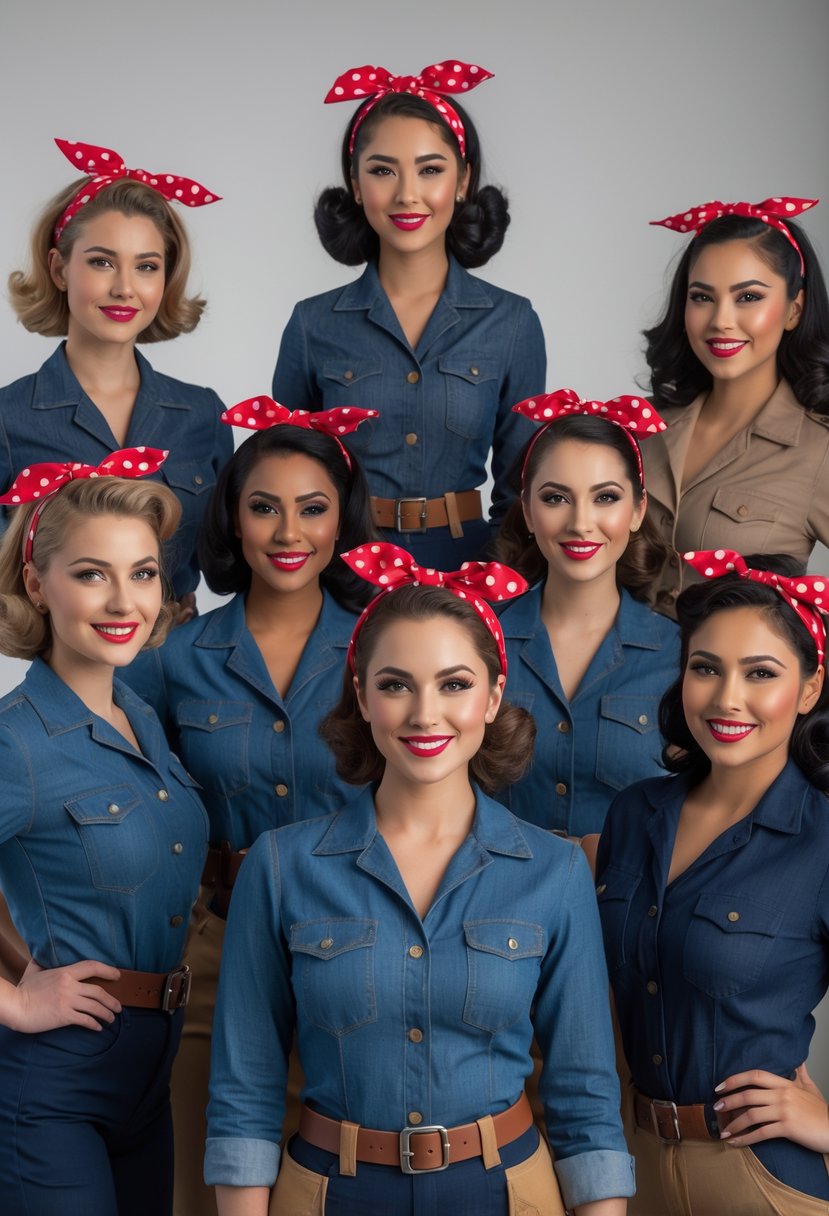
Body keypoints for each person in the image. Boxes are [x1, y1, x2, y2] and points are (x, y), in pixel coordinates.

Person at [205, 542, 634, 1215]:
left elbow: (584, 1094)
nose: (423, 713)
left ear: (492, 697)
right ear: (361, 696)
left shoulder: (553, 873)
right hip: (325, 1193)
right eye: (395, 684)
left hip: (508, 1192)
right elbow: (245, 1084)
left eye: (453, 684)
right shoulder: (280, 866)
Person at [122, 396, 380, 1216]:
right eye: (263, 507)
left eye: (312, 509)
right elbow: (118, 799)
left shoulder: (383, 646)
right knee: (205, 1184)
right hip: (214, 944)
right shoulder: (174, 657)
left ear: (344, 521)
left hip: (354, 946)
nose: (287, 532)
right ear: (231, 519)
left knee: (335, 1186)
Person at [0, 451, 208, 1216]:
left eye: (144, 573)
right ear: (35, 584)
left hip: (148, 1081)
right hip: (57, 1087)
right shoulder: (16, 744)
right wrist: (14, 1003)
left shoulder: (142, 718)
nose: (125, 600)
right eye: (92, 574)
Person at [596, 549, 829, 1215]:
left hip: (758, 1180)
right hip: (629, 1170)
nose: (727, 699)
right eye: (705, 668)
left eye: (760, 673)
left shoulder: (820, 837)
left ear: (809, 688)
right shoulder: (633, 813)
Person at [272, 61, 546, 568]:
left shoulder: (511, 323)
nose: (406, 194)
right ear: (356, 185)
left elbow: (521, 490)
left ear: (463, 181)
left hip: (468, 565)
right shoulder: (312, 325)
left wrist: (505, 584)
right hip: (344, 566)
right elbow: (282, 479)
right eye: (382, 170)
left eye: (430, 169)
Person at [1, 137, 232, 609]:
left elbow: (233, 568)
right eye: (102, 262)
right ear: (60, 268)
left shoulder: (202, 414)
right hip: (68, 669)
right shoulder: (8, 418)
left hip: (183, 670)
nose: (125, 288)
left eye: (146, 266)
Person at [494, 389, 679, 838]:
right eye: (556, 498)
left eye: (605, 498)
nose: (580, 523)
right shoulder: (478, 638)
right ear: (528, 510)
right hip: (493, 899)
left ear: (637, 510)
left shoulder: (679, 653)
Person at [640, 195, 829, 616]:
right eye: (702, 297)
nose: (721, 320)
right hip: (614, 679)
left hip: (725, 681)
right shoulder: (642, 428)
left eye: (748, 297)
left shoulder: (819, 450)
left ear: (794, 309)